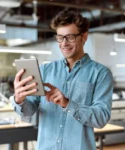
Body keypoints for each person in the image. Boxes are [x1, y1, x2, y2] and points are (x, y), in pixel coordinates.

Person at [11, 10, 113, 150]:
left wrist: (68, 104)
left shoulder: (101, 73)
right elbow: (29, 111)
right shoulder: (44, 70)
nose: (64, 43)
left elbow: (101, 118)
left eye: (70, 37)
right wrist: (19, 99)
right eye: (60, 37)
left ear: (84, 36)